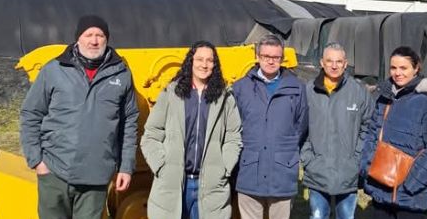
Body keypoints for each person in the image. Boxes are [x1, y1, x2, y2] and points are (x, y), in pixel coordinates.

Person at [20, 15, 139, 219]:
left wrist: (126, 167)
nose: (94, 41)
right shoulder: (54, 70)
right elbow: (31, 113)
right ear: (78, 38)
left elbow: (129, 123)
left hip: (96, 175)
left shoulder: (121, 74)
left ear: (107, 39)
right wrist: (36, 160)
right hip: (55, 171)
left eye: (100, 35)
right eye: (88, 35)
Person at [141, 41, 242, 219]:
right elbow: (151, 134)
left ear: (215, 64)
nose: (204, 64)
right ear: (191, 61)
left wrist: (224, 168)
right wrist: (160, 166)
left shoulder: (225, 98)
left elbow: (233, 137)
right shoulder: (171, 94)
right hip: (173, 181)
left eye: (210, 60)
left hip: (211, 184)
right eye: (200, 59)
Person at [359, 46, 427, 219]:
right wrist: (367, 166)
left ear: (416, 69)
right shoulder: (384, 98)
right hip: (381, 186)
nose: (397, 73)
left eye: (403, 68)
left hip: (411, 198)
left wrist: (411, 184)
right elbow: (372, 134)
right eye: (393, 68)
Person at [232, 34, 308, 219]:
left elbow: (301, 125)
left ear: (282, 59)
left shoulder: (296, 88)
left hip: (281, 171)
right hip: (250, 169)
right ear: (258, 57)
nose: (271, 62)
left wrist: (283, 147)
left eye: (276, 57)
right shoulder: (241, 88)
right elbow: (234, 126)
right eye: (266, 56)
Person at [301, 43, 374, 219]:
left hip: (348, 173)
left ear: (345, 63)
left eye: (339, 61)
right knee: (318, 216)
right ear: (322, 62)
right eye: (329, 61)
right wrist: (309, 158)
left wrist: (356, 158)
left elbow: (369, 127)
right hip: (317, 172)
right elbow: (299, 128)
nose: (334, 66)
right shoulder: (308, 91)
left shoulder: (358, 92)